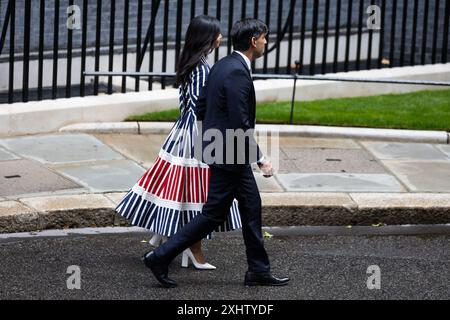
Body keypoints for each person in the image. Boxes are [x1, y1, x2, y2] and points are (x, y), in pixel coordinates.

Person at [142, 18, 289, 288]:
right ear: (254, 40)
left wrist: (207, 143)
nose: (267, 42)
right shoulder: (235, 71)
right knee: (213, 213)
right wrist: (260, 158)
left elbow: (201, 107)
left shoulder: (223, 65)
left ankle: (258, 270)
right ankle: (159, 256)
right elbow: (239, 121)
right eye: (265, 38)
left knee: (251, 205)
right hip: (229, 153)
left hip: (227, 151)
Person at [115, 15, 242, 270]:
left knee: (179, 190)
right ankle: (193, 249)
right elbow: (199, 106)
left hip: (184, 132)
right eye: (217, 34)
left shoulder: (192, 63)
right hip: (195, 135)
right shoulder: (201, 68)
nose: (221, 37)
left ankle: (173, 239)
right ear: (207, 38)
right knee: (198, 193)